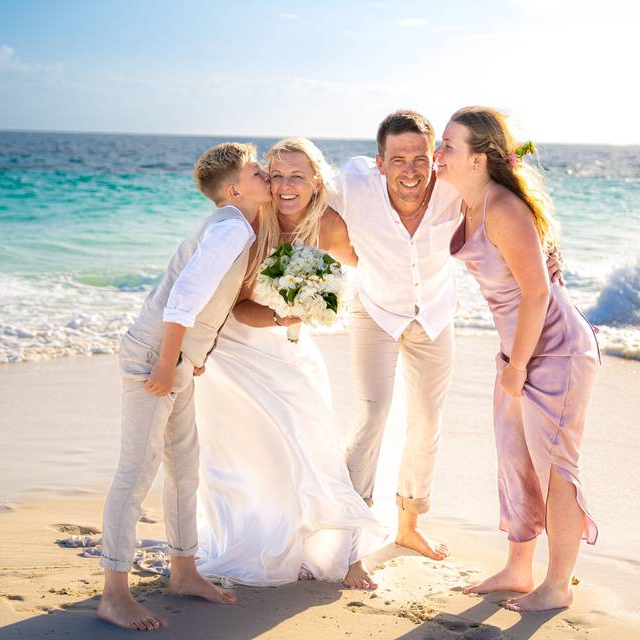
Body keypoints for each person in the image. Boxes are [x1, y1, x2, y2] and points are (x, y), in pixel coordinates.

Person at [332, 110, 563, 561]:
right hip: (376, 310)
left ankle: (408, 526)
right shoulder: (354, 183)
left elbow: (508, 207)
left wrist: (548, 263)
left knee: (426, 424)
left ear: (435, 156)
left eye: (421, 157)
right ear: (379, 162)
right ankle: (350, 541)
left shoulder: (454, 188)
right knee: (371, 419)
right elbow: (299, 196)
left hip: (434, 315)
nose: (411, 169)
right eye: (398, 160)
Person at [194, 137, 388, 589]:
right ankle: (259, 538)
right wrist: (283, 312)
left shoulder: (331, 226)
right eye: (275, 175)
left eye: (296, 176)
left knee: (314, 443)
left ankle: (339, 551)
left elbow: (375, 268)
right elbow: (237, 305)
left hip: (292, 350)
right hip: (239, 352)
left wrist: (326, 303)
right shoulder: (252, 223)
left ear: (315, 181)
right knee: (248, 454)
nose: (284, 185)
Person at [97, 143, 270, 630]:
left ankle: (184, 571)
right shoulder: (232, 227)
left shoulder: (234, 225)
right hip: (157, 358)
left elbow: (205, 302)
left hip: (173, 358)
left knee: (184, 466)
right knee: (135, 473)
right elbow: (182, 299)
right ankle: (113, 593)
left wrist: (190, 357)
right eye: (258, 171)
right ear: (235, 189)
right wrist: (169, 363)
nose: (267, 175)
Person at [439, 106, 600, 612]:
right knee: (516, 461)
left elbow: (535, 294)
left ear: (479, 158)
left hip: (553, 352)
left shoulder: (503, 208)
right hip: (520, 350)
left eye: (447, 146)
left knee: (556, 469)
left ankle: (557, 586)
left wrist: (516, 368)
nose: (437, 154)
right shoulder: (469, 199)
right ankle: (518, 568)